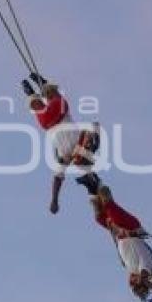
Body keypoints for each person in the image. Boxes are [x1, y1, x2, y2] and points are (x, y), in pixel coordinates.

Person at [22, 73, 101, 213]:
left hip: (50, 123)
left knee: (42, 107)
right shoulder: (81, 150)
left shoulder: (65, 156)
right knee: (51, 101)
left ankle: (32, 92)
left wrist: (54, 200)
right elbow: (93, 136)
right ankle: (39, 87)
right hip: (59, 116)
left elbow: (58, 178)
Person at [91, 185, 152, 302]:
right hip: (131, 228)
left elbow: (120, 249)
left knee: (99, 216)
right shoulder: (151, 266)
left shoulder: (131, 268)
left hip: (120, 233)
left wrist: (112, 231)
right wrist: (147, 286)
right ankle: (98, 185)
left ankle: (91, 184)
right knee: (109, 205)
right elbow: (144, 273)